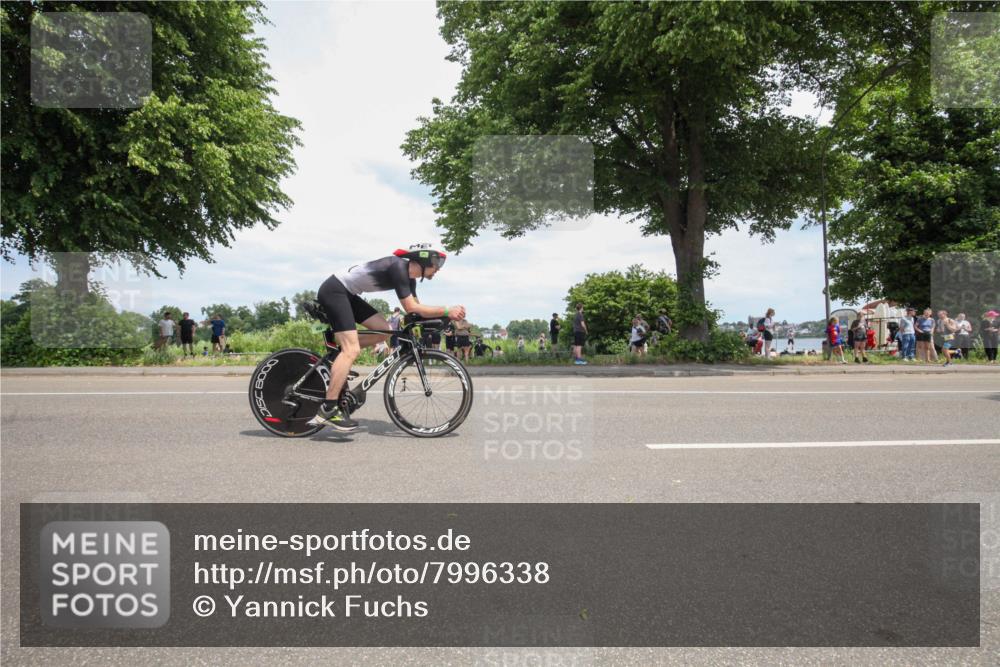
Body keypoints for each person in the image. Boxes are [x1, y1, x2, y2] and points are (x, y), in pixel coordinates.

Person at [308, 244, 464, 432]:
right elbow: (412, 308)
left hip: (348, 294)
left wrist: (443, 318)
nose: (438, 269)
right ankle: (328, 409)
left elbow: (416, 312)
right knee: (352, 350)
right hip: (335, 290)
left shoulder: (410, 279)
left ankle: (343, 348)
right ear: (422, 261)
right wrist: (447, 309)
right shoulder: (398, 267)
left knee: (384, 330)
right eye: (436, 264)